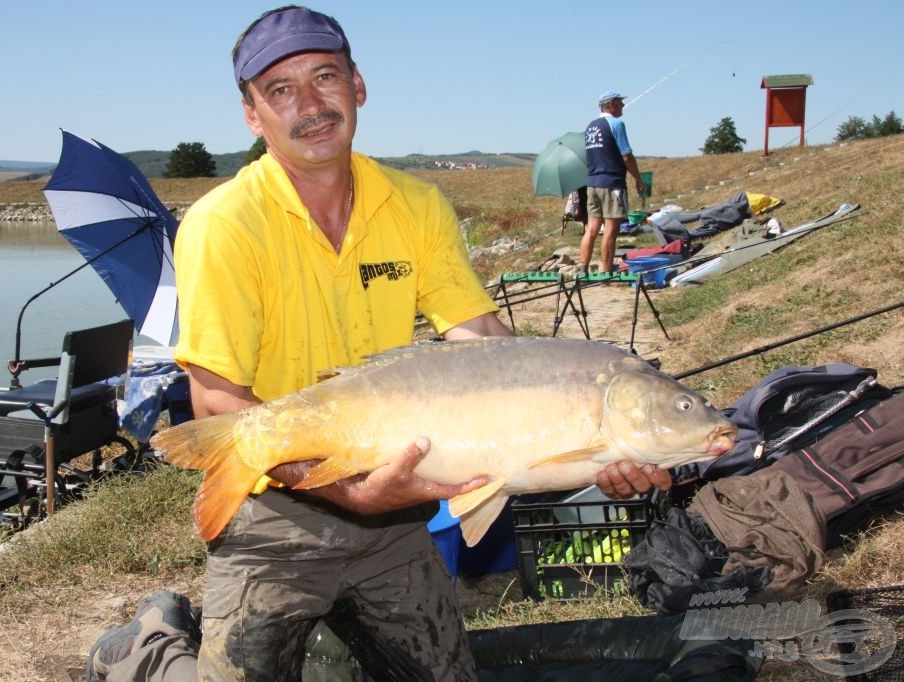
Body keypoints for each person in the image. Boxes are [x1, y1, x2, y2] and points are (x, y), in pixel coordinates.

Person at [87, 7, 669, 681]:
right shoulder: (223, 225)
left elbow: (481, 339)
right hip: (277, 505)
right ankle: (152, 651)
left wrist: (580, 432)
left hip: (395, 516)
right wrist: (350, 495)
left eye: (325, 77)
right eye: (280, 90)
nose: (309, 104)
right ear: (252, 115)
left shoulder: (417, 205)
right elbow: (219, 405)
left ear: (357, 86)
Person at [581, 90, 645, 276]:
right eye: (620, 102)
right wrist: (638, 179)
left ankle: (582, 270)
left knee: (592, 229)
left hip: (592, 183)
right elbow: (626, 156)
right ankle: (607, 272)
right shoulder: (616, 124)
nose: (623, 106)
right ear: (611, 104)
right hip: (612, 183)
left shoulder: (591, 126)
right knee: (610, 230)